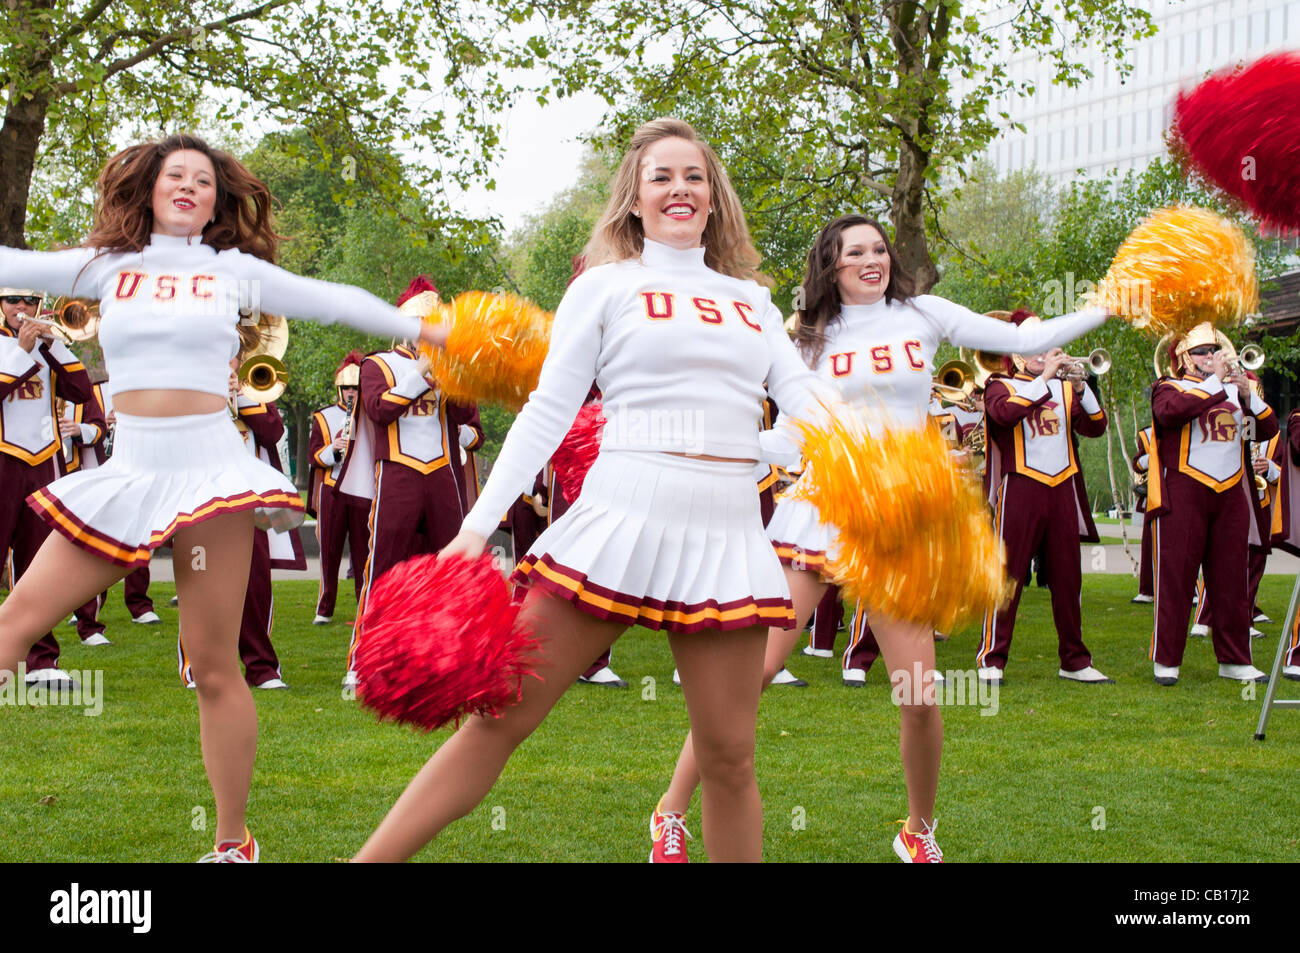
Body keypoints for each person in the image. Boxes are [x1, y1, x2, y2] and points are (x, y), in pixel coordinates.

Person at [353, 117, 836, 864]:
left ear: (715, 198)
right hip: (619, 518)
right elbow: (549, 409)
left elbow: (805, 403)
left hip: (726, 535)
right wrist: (478, 527)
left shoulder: (753, 301)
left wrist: (769, 450)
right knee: (498, 722)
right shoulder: (606, 286)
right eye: (661, 177)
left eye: (694, 176)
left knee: (731, 759)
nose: (680, 189)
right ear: (634, 200)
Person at [0, 134, 445, 862]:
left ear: (217, 200)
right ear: (147, 189)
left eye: (202, 181)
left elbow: (333, 300)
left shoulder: (232, 271)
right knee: (15, 620)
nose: (187, 187)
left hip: (211, 473)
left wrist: (424, 327)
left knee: (213, 665)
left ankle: (233, 843)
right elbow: (10, 264)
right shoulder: (108, 266)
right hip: (129, 471)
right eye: (174, 175)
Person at [648, 214, 1110, 863]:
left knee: (918, 693)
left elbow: (1025, 335)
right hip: (822, 508)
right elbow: (792, 435)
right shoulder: (805, 339)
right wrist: (720, 448)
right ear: (829, 265)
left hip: (898, 518)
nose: (871, 259)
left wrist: (1114, 298)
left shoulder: (921, 313)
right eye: (853, 251)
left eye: (878, 248)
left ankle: (919, 830)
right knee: (755, 672)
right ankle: (670, 811)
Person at [337, 277, 481, 690]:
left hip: (441, 473)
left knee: (454, 566)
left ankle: (457, 660)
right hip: (396, 471)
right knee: (382, 565)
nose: (427, 328)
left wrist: (457, 373)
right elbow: (378, 411)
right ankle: (361, 662)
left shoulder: (445, 361)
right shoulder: (376, 364)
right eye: (421, 321)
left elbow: (463, 418)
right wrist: (420, 375)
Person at [976, 319, 1113, 684]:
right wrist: (1044, 378)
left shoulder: (1065, 389)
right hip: (1021, 485)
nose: (1044, 353)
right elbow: (1004, 414)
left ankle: (1075, 660)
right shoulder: (998, 385)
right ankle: (991, 657)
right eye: (1035, 347)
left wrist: (1082, 388)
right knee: (1008, 575)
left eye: (1046, 345)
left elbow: (1096, 427)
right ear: (1017, 355)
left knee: (1069, 577)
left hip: (1063, 485)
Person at [1145, 323, 1275, 685]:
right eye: (1201, 352)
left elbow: (1266, 429)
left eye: (1213, 351)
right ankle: (1166, 659)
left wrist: (1249, 395)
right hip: (1185, 489)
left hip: (1231, 491)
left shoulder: (1233, 393)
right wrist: (1217, 381)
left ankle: (1234, 659)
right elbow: (1171, 413)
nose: (1211, 357)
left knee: (1231, 579)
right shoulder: (1168, 387)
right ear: (1184, 358)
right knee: (1176, 578)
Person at [0, 287, 96, 686]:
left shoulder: (46, 346)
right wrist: (22, 353)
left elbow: (82, 392)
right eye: (12, 300)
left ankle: (42, 662)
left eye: (29, 302)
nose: (22, 308)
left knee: (40, 564)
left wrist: (54, 346)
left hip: (44, 461)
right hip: (3, 459)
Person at [307, 352, 368, 625]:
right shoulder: (323, 417)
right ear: (339, 389)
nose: (352, 393)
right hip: (332, 489)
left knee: (363, 552)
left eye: (356, 388)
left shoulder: (370, 417)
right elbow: (314, 457)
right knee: (329, 552)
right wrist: (333, 449)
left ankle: (365, 607)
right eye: (347, 388)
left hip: (362, 489)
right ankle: (324, 608)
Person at [1130, 425, 1155, 604]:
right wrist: (1151, 457)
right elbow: (1137, 464)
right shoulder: (1147, 434)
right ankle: (1147, 589)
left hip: (1184, 493)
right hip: (1155, 494)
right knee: (1149, 543)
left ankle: (1192, 591)